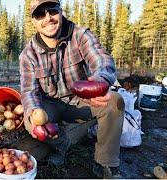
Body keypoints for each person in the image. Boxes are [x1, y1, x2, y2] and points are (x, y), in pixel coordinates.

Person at [19, 0, 125, 178]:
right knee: (32, 120)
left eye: (52, 10)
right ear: (33, 21)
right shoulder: (28, 55)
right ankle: (62, 144)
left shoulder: (80, 35)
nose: (48, 18)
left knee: (115, 101)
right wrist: (34, 111)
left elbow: (101, 59)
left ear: (60, 11)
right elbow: (29, 91)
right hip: (50, 105)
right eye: (40, 14)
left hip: (80, 100)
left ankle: (105, 164)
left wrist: (99, 82)